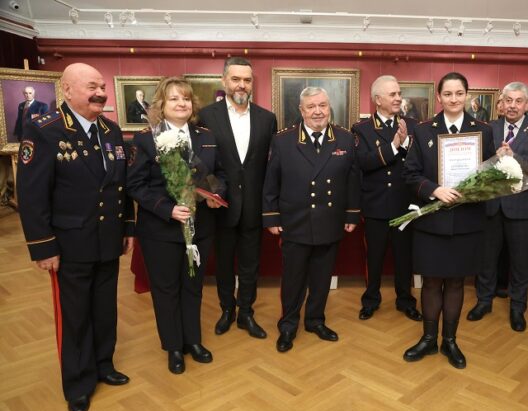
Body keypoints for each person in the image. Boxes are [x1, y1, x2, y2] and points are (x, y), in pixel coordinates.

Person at [16, 63, 134, 411]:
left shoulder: (111, 130)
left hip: (108, 239)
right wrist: (43, 246)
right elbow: (32, 195)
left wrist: (127, 228)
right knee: (76, 315)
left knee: (105, 309)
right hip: (70, 244)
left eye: (102, 87)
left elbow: (121, 185)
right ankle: (79, 383)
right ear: (66, 90)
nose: (100, 93)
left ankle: (104, 365)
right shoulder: (44, 130)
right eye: (91, 87)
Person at [127, 77, 227, 375]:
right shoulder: (145, 139)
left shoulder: (207, 136)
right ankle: (173, 347)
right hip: (161, 229)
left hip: (200, 228)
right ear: (161, 104)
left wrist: (216, 195)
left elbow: (219, 174)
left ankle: (193, 341)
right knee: (166, 290)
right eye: (174, 99)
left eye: (185, 98)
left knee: (193, 287)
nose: (181, 103)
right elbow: (135, 185)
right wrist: (167, 209)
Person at [402, 72, 495, 368]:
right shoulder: (423, 130)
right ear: (439, 97)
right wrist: (435, 190)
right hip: (432, 221)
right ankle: (428, 339)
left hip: (467, 221)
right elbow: (410, 174)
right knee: (430, 283)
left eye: (459, 93)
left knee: (456, 283)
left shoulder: (483, 130)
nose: (454, 99)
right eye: (448, 94)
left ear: (467, 95)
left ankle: (450, 341)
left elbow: (490, 176)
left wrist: (494, 172)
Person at [263, 86, 360, 353]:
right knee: (293, 279)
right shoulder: (283, 140)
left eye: (322, 105)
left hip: (330, 220)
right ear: (301, 110)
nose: (318, 111)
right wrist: (271, 217)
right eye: (311, 106)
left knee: (322, 277)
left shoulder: (344, 138)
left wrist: (352, 213)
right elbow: (271, 182)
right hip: (295, 221)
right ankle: (288, 325)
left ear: (329, 107)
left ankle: (315, 320)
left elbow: (353, 180)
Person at [198, 57, 277, 339]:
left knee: (250, 263)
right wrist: (211, 191)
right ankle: (226, 310)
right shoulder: (206, 116)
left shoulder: (267, 118)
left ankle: (246, 312)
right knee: (223, 263)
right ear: (224, 81)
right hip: (220, 205)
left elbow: (271, 166)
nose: (241, 85)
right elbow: (199, 161)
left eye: (247, 80)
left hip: (254, 205)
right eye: (235, 79)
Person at [470, 81, 528, 332]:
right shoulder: (488, 128)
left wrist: (515, 157)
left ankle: (518, 308)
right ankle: (484, 301)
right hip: (491, 205)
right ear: (501, 103)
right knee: (486, 259)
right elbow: (476, 163)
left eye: (518, 101)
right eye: (508, 100)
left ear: (527, 105)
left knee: (519, 262)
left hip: (521, 207)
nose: (513, 105)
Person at [351, 75, 422, 322]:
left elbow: (421, 162)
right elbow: (363, 162)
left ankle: (406, 300)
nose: (398, 98)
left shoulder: (413, 125)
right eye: (392, 94)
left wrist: (406, 143)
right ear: (377, 99)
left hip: (405, 204)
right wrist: (393, 146)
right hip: (376, 206)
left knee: (405, 258)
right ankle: (371, 300)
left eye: (399, 93)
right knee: (374, 258)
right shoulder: (361, 129)